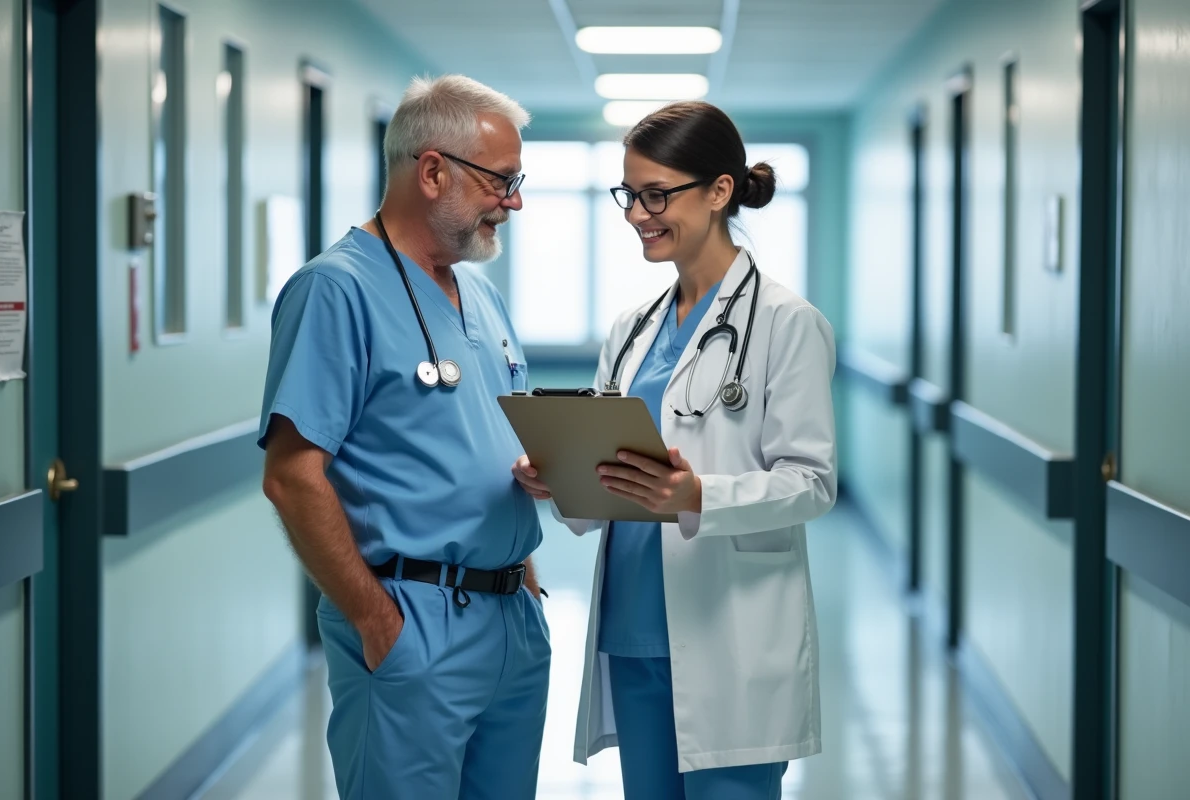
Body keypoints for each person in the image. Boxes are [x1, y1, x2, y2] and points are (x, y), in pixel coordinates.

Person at [513, 100, 838, 799]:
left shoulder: (787, 323)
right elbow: (609, 480)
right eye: (629, 195)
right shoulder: (632, 330)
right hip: (634, 630)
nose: (637, 213)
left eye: (657, 194)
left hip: (731, 632)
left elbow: (811, 481)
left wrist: (699, 495)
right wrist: (560, 474)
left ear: (720, 191)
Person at [260, 74, 550, 800]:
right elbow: (293, 475)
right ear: (431, 171)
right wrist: (373, 617)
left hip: (512, 619)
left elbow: (488, 437)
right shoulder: (336, 289)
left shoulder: (479, 292)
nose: (512, 202)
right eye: (500, 182)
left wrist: (527, 574)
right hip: (413, 622)